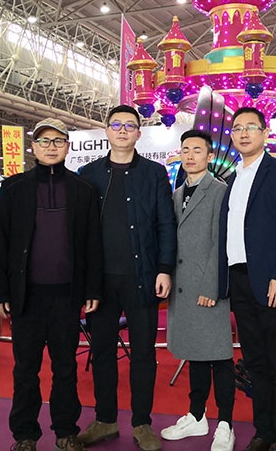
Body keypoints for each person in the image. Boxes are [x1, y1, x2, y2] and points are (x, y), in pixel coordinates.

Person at [0, 117, 103, 451]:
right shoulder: (13, 189)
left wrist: (92, 289)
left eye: (58, 141)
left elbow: (92, 243)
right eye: (44, 141)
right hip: (26, 298)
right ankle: (25, 435)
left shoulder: (83, 190)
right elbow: (0, 243)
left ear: (67, 146)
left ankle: (66, 431)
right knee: (26, 369)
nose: (51, 147)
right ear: (33, 147)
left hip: (67, 296)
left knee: (65, 368)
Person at [78, 104, 177, 451]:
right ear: (106, 130)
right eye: (116, 124)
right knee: (102, 351)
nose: (122, 130)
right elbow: (79, 230)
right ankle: (105, 419)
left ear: (139, 133)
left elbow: (166, 223)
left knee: (144, 354)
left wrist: (165, 268)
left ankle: (142, 423)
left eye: (129, 125)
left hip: (143, 276)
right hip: (100, 282)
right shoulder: (88, 174)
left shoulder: (154, 173)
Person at [218, 107, 276, 451]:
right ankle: (264, 430)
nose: (243, 134)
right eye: (237, 128)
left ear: (265, 132)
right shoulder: (232, 180)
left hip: (272, 281)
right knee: (255, 360)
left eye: (250, 127)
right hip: (239, 278)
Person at [160, 129, 235, 451]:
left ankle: (226, 423)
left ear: (209, 156)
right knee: (195, 354)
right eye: (185, 150)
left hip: (207, 287)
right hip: (182, 287)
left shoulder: (219, 192)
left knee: (219, 356)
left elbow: (222, 242)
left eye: (197, 150)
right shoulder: (176, 194)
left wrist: (212, 285)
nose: (190, 156)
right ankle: (196, 415)